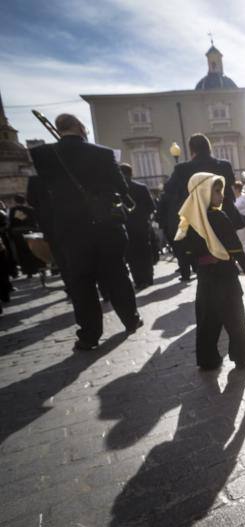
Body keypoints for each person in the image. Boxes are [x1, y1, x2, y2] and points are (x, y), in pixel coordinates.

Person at [29, 114, 142, 350]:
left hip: (71, 228)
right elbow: (121, 187)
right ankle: (131, 319)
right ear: (80, 127)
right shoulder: (102, 153)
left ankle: (89, 335)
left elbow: (47, 188)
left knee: (81, 282)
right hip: (106, 225)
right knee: (117, 273)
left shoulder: (43, 155)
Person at [174, 172, 245, 371]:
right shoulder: (218, 216)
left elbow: (184, 250)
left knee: (207, 321)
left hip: (206, 279)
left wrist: (200, 261)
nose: (222, 195)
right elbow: (234, 246)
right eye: (217, 191)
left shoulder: (189, 221)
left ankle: (207, 359)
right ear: (203, 193)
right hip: (225, 276)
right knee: (235, 319)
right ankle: (241, 357)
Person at [162, 134, 244, 281]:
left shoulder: (182, 169)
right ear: (208, 147)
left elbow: (168, 189)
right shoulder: (223, 165)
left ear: (192, 150)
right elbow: (230, 186)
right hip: (224, 217)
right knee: (228, 250)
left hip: (198, 222)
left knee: (203, 260)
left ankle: (209, 288)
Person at [120, 163, 156, 289]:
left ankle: (139, 280)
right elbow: (151, 206)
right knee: (145, 252)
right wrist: (144, 216)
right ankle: (149, 277)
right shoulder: (141, 187)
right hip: (142, 225)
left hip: (127, 226)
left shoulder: (118, 190)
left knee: (132, 255)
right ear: (131, 173)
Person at [8, 194, 44, 278]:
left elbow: (11, 223)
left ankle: (29, 272)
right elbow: (35, 221)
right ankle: (41, 269)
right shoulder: (30, 209)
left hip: (19, 235)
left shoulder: (13, 210)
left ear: (15, 201)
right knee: (35, 251)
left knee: (23, 253)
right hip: (31, 233)